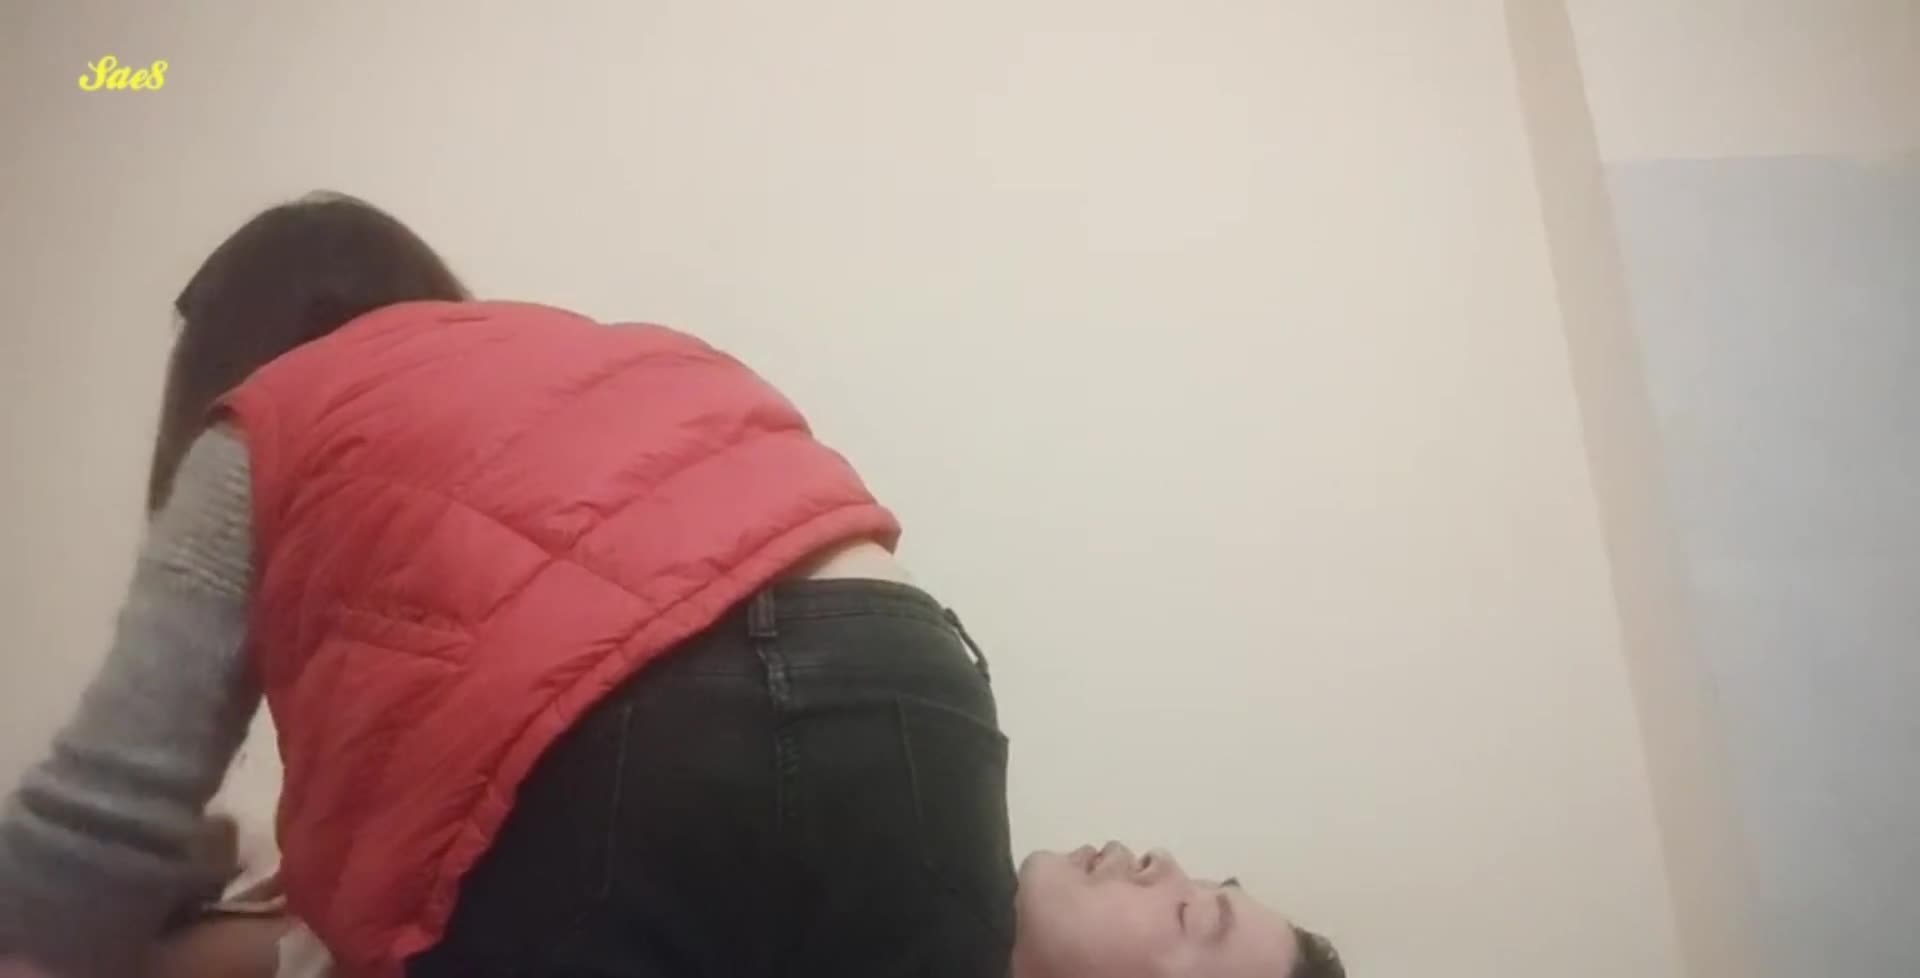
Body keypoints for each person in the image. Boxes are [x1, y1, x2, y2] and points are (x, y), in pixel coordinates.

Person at [0, 193, 1342, 978]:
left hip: (696, 722)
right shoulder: (576, 361)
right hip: (899, 671)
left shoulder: (268, 424)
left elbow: (87, 844)